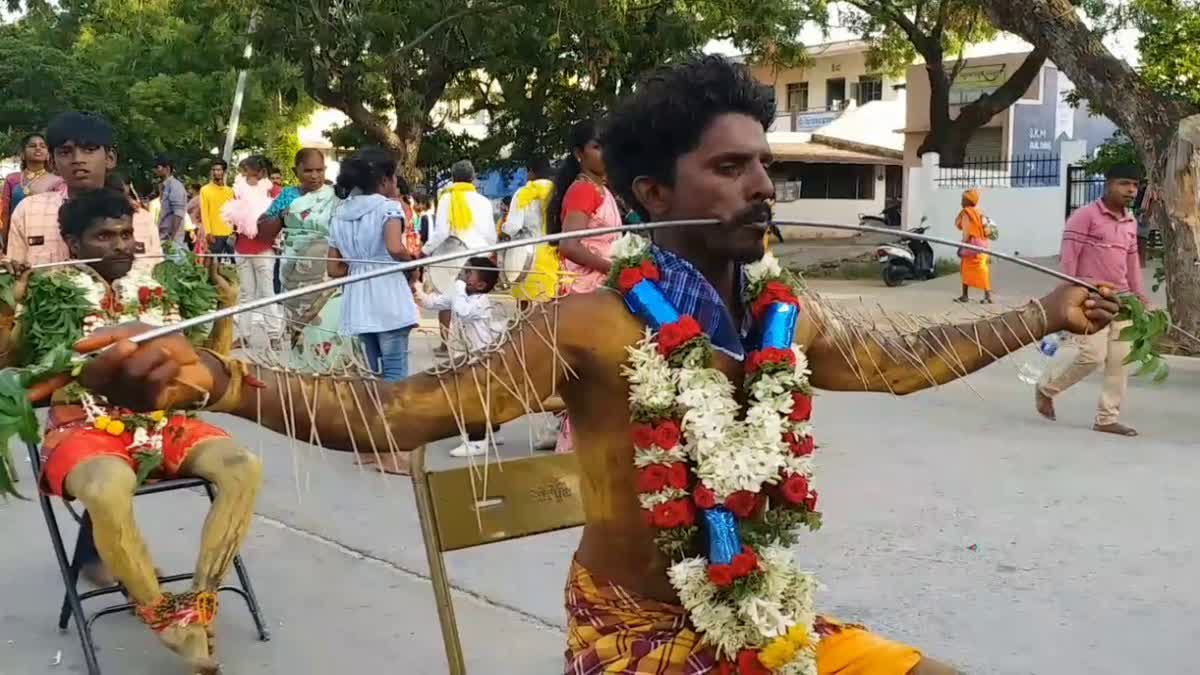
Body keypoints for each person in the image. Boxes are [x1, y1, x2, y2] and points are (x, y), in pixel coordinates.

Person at [72, 56, 1119, 674]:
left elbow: (903, 359)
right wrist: (225, 383)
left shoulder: (778, 315)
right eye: (731, 166)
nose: (762, 185)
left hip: (766, 617)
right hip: (639, 645)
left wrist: (1040, 313)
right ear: (654, 196)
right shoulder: (591, 328)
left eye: (765, 164)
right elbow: (401, 414)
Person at [2, 188, 258, 674]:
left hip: (164, 421)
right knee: (106, 488)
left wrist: (226, 307)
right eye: (105, 236)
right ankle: (165, 619)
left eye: (126, 234)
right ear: (74, 244)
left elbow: (210, 363)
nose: (122, 245)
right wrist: (7, 307)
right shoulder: (41, 289)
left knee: (242, 469)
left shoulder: (163, 285)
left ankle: (201, 603)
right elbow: (11, 366)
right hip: (84, 425)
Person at [1036, 163, 1146, 437]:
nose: (1131, 190)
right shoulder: (1084, 217)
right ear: (1107, 184)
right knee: (1093, 356)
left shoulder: (1131, 222)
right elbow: (1069, 259)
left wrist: (1140, 295)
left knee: (1120, 362)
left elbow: (1132, 262)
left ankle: (1107, 419)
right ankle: (1047, 390)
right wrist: (1066, 295)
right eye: (1124, 183)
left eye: (1134, 185)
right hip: (1089, 299)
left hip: (1122, 301)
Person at [547, 119, 622, 454]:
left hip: (604, 287)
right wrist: (616, 267)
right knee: (592, 381)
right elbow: (570, 245)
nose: (604, 153)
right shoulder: (584, 190)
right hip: (587, 291)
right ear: (579, 154)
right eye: (596, 146)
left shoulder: (602, 189)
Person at [7, 113, 161, 269]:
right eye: (65, 152)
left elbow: (154, 286)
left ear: (109, 158)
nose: (77, 159)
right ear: (52, 163)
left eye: (89, 149)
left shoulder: (140, 219)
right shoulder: (29, 212)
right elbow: (15, 280)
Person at [327, 147, 419, 385]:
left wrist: (360, 266)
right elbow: (394, 248)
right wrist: (413, 263)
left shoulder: (339, 213)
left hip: (357, 299)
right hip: (388, 296)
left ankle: (379, 418)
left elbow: (334, 269)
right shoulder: (388, 207)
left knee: (376, 373)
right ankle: (394, 419)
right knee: (395, 373)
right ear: (384, 180)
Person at [413, 257, 506, 458]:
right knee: (481, 396)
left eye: (469, 272)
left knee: (474, 398)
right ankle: (492, 432)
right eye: (465, 269)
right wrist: (418, 289)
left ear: (480, 284)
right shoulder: (460, 294)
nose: (463, 274)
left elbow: (463, 312)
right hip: (465, 356)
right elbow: (434, 302)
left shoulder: (480, 301)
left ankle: (476, 442)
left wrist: (457, 288)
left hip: (481, 357)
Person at [257, 148, 340, 342]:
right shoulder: (288, 196)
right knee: (299, 330)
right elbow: (264, 232)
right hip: (294, 271)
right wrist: (284, 214)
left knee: (326, 328)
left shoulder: (335, 196)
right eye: (308, 171)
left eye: (319, 170)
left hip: (326, 272)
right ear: (296, 172)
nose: (314, 176)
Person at [427, 160, 497, 356]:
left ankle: (445, 344)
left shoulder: (447, 199)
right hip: (478, 259)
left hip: (452, 257)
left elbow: (440, 233)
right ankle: (480, 344)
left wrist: (425, 252)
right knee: (476, 303)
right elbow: (491, 236)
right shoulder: (483, 201)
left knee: (447, 300)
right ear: (473, 178)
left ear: (452, 178)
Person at [222, 154, 282, 350]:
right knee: (247, 293)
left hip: (264, 248)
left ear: (261, 173)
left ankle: (274, 336)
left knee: (267, 292)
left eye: (249, 173)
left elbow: (280, 217)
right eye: (244, 173)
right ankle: (244, 336)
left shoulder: (273, 191)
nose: (246, 176)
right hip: (242, 248)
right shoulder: (238, 189)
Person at [502, 156, 559, 305]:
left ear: (531, 172)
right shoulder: (557, 192)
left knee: (525, 304)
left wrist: (503, 227)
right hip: (554, 254)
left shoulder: (524, 193)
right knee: (550, 303)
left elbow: (513, 228)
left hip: (528, 256)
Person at [1, 133, 64, 249]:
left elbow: (59, 215)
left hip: (45, 239)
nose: (38, 148)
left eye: (42, 146)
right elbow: (5, 213)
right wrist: (4, 240)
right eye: (32, 146)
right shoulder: (12, 179)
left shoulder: (57, 182)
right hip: (15, 236)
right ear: (23, 155)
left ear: (48, 155)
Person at [953, 188, 993, 304]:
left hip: (972, 245)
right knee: (982, 269)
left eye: (963, 199)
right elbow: (988, 230)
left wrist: (961, 246)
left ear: (968, 201)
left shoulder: (966, 213)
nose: (961, 202)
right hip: (983, 244)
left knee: (965, 268)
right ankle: (987, 295)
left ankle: (965, 296)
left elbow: (966, 233)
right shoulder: (980, 212)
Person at [199, 159, 236, 258]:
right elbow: (204, 212)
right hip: (214, 234)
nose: (216, 173)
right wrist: (208, 232)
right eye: (214, 170)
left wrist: (235, 232)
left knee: (234, 265)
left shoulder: (230, 191)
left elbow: (234, 213)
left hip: (229, 234)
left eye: (219, 170)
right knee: (212, 263)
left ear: (224, 172)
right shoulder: (205, 190)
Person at [153, 154, 188, 244]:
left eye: (158, 167)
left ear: (167, 168)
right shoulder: (164, 186)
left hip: (172, 239)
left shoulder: (175, 186)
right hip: (163, 237)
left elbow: (178, 214)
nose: (155, 170)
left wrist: (171, 239)